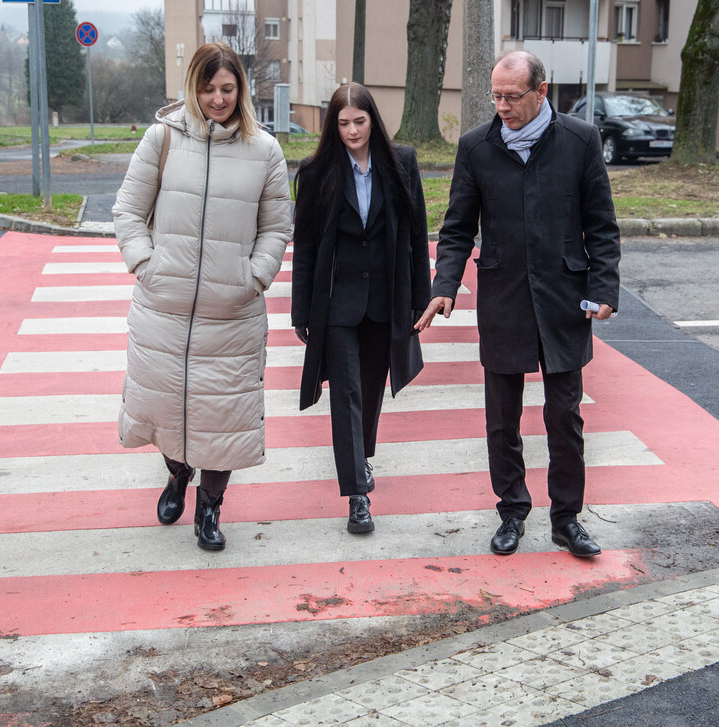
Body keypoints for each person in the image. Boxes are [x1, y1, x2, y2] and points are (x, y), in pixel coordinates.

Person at [416, 51, 620, 558]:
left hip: (564, 299)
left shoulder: (580, 140)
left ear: (541, 91)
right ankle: (512, 510)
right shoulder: (476, 147)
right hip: (503, 297)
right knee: (502, 418)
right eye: (496, 97)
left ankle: (567, 519)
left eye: (512, 97)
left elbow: (601, 225)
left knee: (564, 416)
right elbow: (457, 228)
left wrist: (604, 289)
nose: (502, 107)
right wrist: (445, 284)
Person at [112, 43, 292, 551]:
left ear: (241, 90)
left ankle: (210, 508)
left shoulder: (265, 150)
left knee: (224, 417)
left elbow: (277, 227)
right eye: (208, 88)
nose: (218, 99)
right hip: (163, 308)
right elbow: (128, 212)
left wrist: (254, 277)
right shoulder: (162, 138)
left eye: (227, 89)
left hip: (232, 313)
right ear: (193, 87)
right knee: (164, 407)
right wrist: (146, 266)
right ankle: (177, 472)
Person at [292, 83, 431, 534]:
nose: (352, 131)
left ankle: (361, 458)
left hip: (386, 302)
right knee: (346, 394)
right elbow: (305, 246)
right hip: (337, 305)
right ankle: (357, 496)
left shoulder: (402, 163)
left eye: (359, 121)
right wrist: (301, 311)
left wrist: (421, 299)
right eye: (343, 123)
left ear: (373, 119)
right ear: (332, 126)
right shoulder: (316, 172)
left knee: (370, 391)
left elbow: (417, 236)